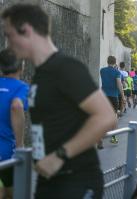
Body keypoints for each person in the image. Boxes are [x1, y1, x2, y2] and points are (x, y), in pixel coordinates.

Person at [1, 4, 117, 199]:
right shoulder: (41, 74)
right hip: (49, 181)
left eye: (9, 35)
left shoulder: (65, 67)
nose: (7, 42)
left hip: (76, 181)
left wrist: (59, 155)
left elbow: (106, 117)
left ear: (26, 30)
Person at [0, 49, 29, 199]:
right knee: (13, 194)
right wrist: (20, 145)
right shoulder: (21, 87)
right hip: (5, 154)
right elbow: (16, 106)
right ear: (21, 67)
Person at [100, 56, 125, 144]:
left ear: (107, 61)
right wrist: (122, 96)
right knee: (114, 116)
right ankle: (113, 137)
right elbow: (119, 84)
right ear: (115, 62)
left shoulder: (102, 70)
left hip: (103, 96)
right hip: (113, 96)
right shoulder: (117, 72)